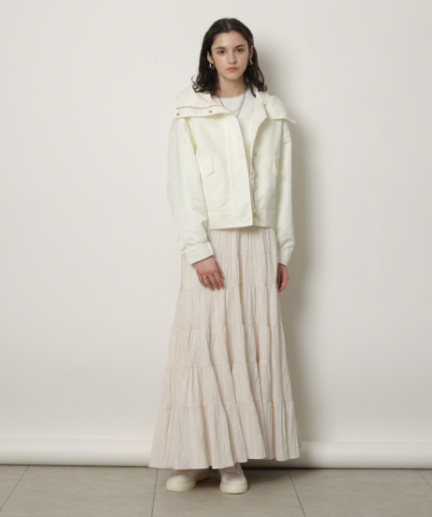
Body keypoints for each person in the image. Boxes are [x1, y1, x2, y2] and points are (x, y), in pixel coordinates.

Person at [148, 17, 302, 494]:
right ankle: (193, 456)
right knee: (201, 349)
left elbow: (284, 189)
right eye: (221, 50)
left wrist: (282, 252)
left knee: (242, 352)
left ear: (250, 53)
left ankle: (231, 461)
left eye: (239, 49)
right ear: (209, 57)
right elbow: (182, 186)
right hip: (211, 240)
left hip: (258, 241)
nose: (231, 58)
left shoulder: (272, 112)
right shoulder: (190, 111)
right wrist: (199, 251)